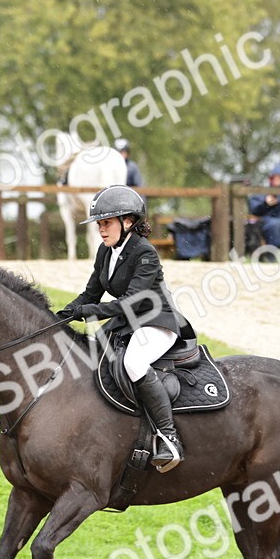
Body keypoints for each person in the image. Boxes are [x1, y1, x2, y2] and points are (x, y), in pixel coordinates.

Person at [56, 185, 189, 472]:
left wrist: (87, 312)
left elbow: (128, 302)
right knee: (90, 354)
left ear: (128, 222)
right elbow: (90, 295)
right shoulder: (105, 253)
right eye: (99, 224)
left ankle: (169, 438)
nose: (101, 230)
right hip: (129, 322)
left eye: (106, 223)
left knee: (134, 362)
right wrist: (60, 315)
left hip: (157, 321)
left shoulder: (145, 254)